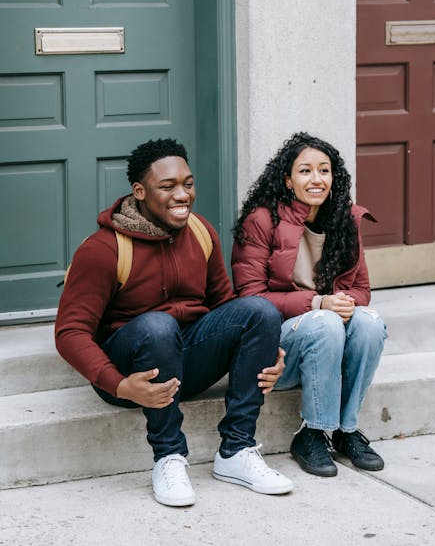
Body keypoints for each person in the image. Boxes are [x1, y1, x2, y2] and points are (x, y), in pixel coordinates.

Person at [55, 138, 293, 507]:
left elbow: (226, 307)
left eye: (188, 183)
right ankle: (168, 456)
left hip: (185, 363)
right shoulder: (104, 249)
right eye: (167, 187)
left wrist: (266, 352)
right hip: (130, 374)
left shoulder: (200, 232)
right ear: (139, 191)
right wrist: (118, 384)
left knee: (260, 311)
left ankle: (236, 451)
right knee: (157, 326)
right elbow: (70, 333)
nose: (182, 194)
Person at [231, 132, 386, 478]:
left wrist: (346, 303)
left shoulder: (345, 219)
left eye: (324, 170)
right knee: (324, 321)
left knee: (370, 322)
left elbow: (361, 289)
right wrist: (319, 303)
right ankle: (312, 433)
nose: (316, 179)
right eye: (305, 171)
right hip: (283, 345)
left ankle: (346, 431)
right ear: (287, 179)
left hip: (329, 333)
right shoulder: (262, 220)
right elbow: (250, 298)